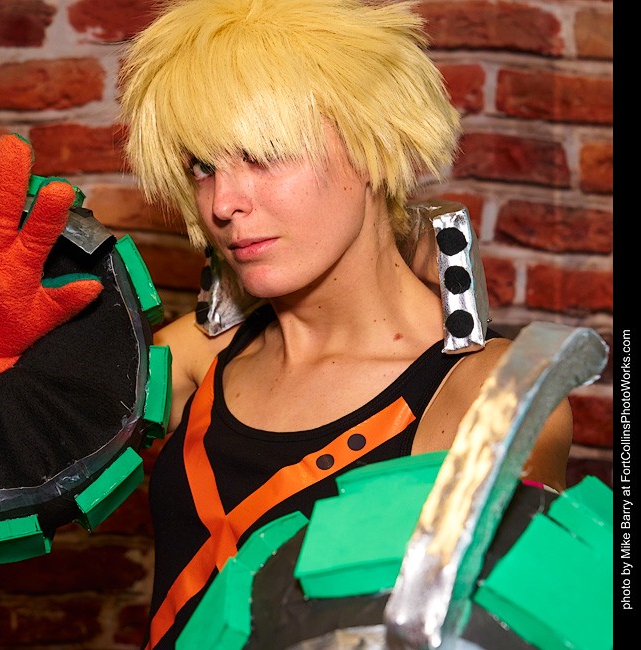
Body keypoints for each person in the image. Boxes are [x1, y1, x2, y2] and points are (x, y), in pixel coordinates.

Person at [116, 0, 573, 646]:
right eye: (203, 166)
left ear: (371, 146)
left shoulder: (485, 400)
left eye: (264, 153)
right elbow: (32, 472)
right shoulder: (195, 356)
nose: (223, 202)